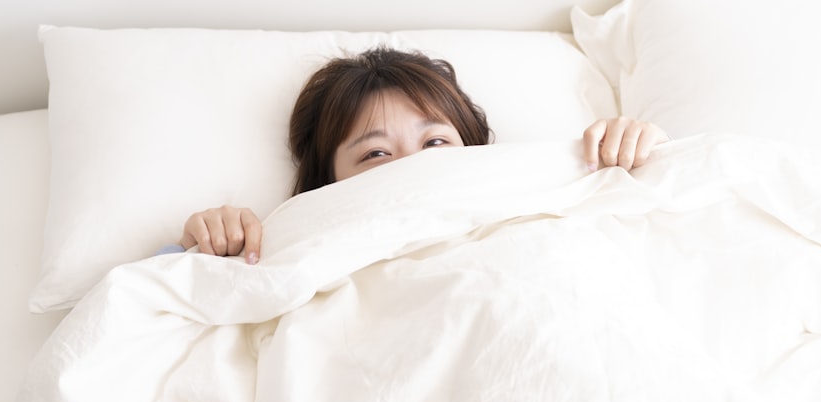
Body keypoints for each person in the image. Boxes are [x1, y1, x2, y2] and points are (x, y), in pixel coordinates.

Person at [171, 47, 668, 264]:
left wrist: (638, 152)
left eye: (435, 143)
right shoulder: (297, 236)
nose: (415, 166)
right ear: (328, 184)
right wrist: (210, 246)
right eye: (375, 154)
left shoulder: (531, 196)